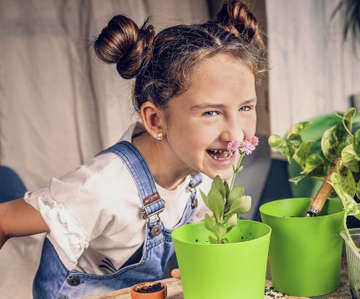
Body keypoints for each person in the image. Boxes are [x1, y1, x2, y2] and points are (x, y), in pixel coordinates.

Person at [0, 0, 265, 298]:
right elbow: (4, 220)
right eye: (211, 113)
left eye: (245, 107)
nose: (234, 133)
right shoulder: (104, 187)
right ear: (155, 119)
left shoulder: (204, 171)